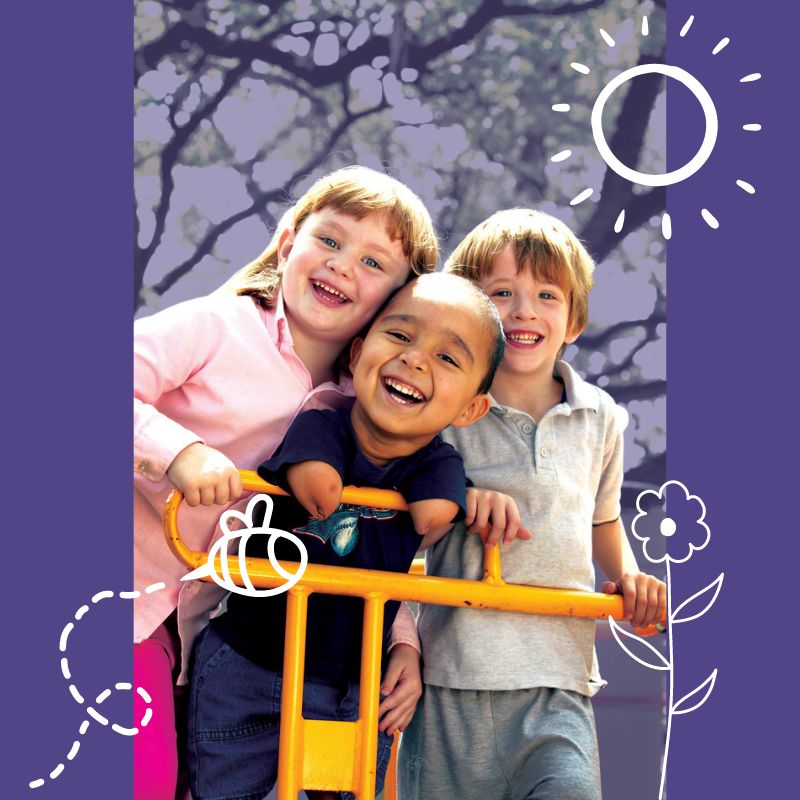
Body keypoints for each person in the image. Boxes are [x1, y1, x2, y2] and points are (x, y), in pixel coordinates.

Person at [133, 165, 438, 799]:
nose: (341, 266)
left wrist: (402, 637)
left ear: (398, 298)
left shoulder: (366, 406)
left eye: (373, 262)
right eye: (329, 241)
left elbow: (380, 530)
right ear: (287, 238)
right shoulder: (220, 326)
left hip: (205, 639)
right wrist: (178, 450)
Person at [186, 272, 506, 800]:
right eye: (399, 337)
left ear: (471, 408)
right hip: (250, 664)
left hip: (355, 683)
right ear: (356, 355)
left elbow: (434, 514)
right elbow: (323, 491)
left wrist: (474, 497)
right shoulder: (321, 424)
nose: (416, 360)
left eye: (448, 359)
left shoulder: (440, 464)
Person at [398, 209, 667, 800]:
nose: (523, 310)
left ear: (573, 319)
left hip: (557, 680)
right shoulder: (447, 406)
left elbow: (602, 517)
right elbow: (403, 497)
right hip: (454, 674)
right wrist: (461, 498)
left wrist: (626, 576)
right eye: (501, 292)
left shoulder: (600, 417)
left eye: (546, 294)